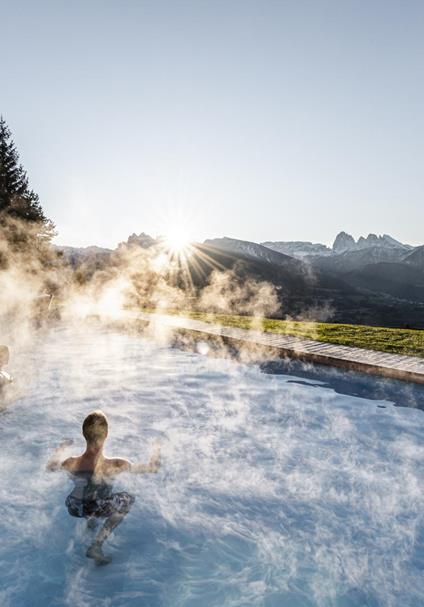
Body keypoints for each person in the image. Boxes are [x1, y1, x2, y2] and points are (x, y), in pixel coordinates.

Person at [47, 410, 161, 565]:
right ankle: (96, 546)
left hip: (75, 507)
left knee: (88, 492)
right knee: (127, 499)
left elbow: (51, 467)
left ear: (83, 434)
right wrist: (157, 448)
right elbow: (152, 468)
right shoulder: (115, 464)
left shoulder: (71, 462)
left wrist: (61, 447)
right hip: (97, 507)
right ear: (106, 434)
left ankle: (91, 522)